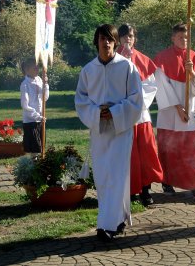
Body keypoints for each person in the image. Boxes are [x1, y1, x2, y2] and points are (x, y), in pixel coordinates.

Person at [75, 24, 143, 242]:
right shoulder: (88, 70)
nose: (106, 43)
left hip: (120, 129)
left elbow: (136, 99)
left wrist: (113, 112)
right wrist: (96, 113)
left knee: (117, 175)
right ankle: (118, 218)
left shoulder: (127, 67)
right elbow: (81, 100)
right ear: (96, 42)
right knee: (104, 177)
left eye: (110, 39)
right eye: (102, 39)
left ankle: (106, 226)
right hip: (99, 131)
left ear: (115, 42)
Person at [153, 23, 195, 198]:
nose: (184, 40)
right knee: (169, 149)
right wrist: (178, 108)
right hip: (170, 112)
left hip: (190, 109)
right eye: (180, 37)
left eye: (186, 37)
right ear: (173, 38)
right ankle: (167, 182)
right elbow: (161, 86)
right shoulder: (162, 58)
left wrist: (192, 73)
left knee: (192, 148)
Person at [117, 23, 163, 207]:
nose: (128, 39)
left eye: (131, 36)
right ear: (118, 38)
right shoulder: (113, 60)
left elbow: (151, 86)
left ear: (134, 38)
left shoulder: (143, 60)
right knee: (127, 154)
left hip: (141, 115)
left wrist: (137, 104)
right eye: (124, 36)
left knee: (145, 154)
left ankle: (145, 190)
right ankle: (129, 191)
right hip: (122, 114)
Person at [19, 57, 49, 155]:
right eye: (34, 68)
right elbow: (25, 105)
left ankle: (40, 167)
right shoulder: (25, 85)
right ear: (27, 70)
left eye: (37, 67)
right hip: (31, 120)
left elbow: (45, 98)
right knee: (34, 148)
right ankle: (32, 166)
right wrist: (38, 116)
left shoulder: (39, 80)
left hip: (40, 119)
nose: (37, 70)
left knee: (41, 146)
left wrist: (45, 84)